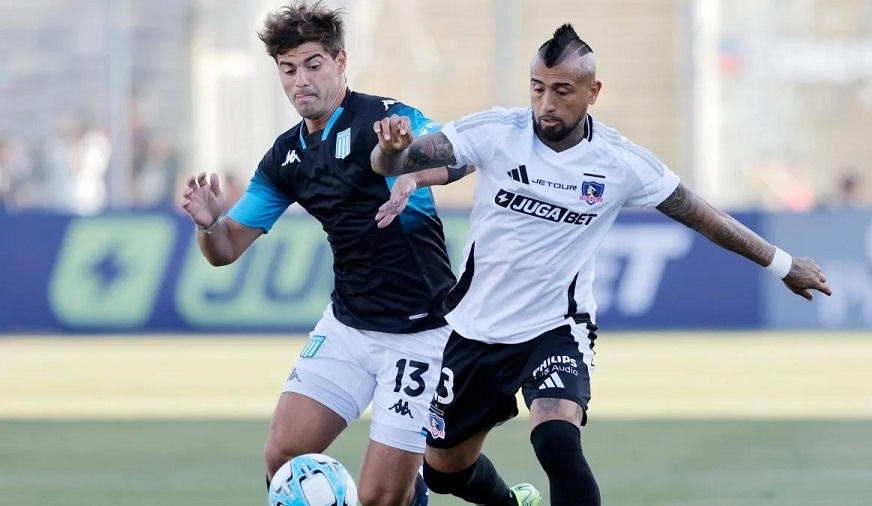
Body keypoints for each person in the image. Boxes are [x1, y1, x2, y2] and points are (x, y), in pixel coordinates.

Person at [370, 23, 832, 506]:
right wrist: (392, 150)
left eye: (562, 90)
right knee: (444, 471)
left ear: (593, 92)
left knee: (556, 439)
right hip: (473, 329)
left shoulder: (619, 161)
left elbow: (705, 218)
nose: (546, 103)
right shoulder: (497, 132)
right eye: (537, 88)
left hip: (554, 327)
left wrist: (783, 264)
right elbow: (393, 164)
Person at [180, 2, 471, 505]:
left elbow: (461, 155)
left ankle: (413, 490)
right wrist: (208, 225)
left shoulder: (386, 119)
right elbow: (224, 249)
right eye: (288, 69)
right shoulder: (285, 158)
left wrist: (409, 165)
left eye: (313, 65)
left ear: (340, 61)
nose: (301, 81)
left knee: (381, 497)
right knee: (282, 456)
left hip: (421, 334)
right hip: (348, 327)